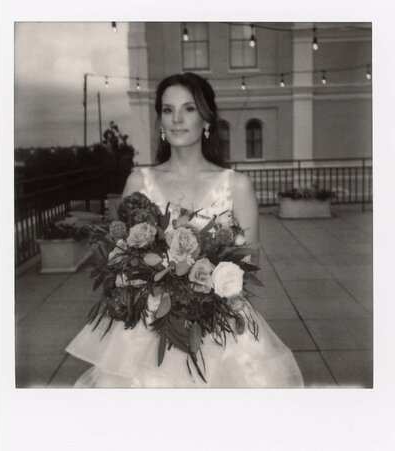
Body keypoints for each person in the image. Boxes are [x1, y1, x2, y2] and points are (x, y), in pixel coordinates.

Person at [66, 72, 303, 388]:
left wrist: (198, 289)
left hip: (217, 328)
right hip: (149, 329)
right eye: (167, 110)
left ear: (207, 118)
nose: (176, 119)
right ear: (160, 121)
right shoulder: (139, 183)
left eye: (188, 109)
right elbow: (120, 261)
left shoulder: (237, 186)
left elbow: (245, 270)